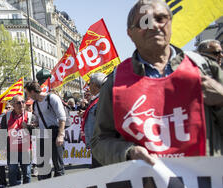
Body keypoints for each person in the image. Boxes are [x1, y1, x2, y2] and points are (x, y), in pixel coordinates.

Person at [91, 0, 223, 166]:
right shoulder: (115, 82)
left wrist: (221, 101)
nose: (154, 26)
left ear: (170, 24)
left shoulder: (205, 68)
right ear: (130, 33)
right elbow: (99, 141)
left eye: (161, 19)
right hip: (148, 187)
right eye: (144, 21)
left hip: (205, 185)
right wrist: (127, 152)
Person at [25, 80, 66, 180]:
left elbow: (62, 117)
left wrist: (60, 135)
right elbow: (40, 119)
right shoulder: (35, 104)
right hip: (43, 135)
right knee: (43, 167)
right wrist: (34, 124)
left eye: (28, 93)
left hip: (55, 133)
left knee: (58, 167)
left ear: (32, 92)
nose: (28, 96)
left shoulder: (51, 98)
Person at [0, 95, 32, 186]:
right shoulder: (6, 117)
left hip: (26, 149)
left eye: (23, 102)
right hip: (12, 150)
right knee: (12, 172)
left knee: (27, 173)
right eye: (18, 102)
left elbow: (36, 132)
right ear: (13, 104)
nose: (21, 104)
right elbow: (2, 133)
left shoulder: (29, 115)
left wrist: (28, 127)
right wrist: (3, 150)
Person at [80, 72, 107, 168]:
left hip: (100, 144)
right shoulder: (97, 99)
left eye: (89, 84)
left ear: (95, 85)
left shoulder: (102, 99)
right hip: (96, 143)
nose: (88, 87)